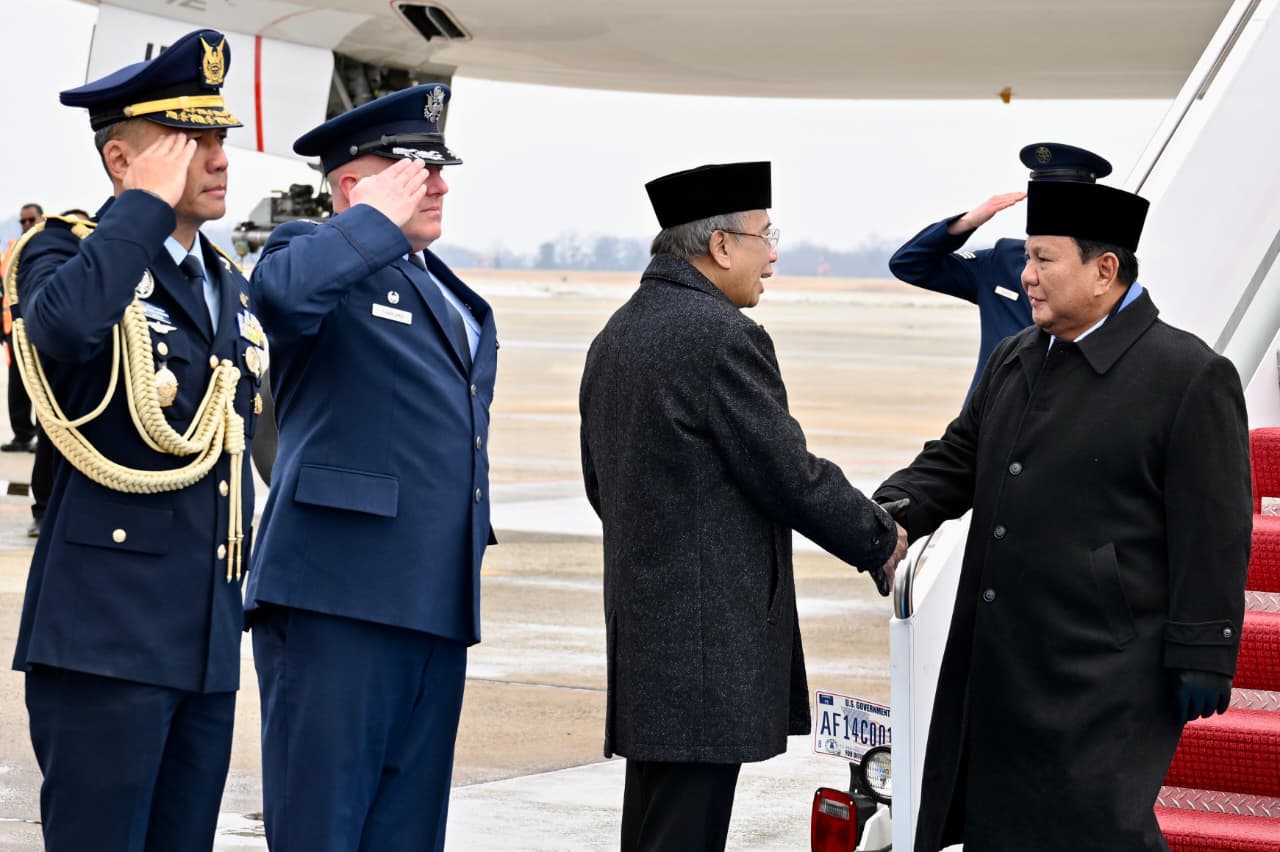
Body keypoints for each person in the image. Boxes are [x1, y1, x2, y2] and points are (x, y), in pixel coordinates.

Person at [873, 173, 1252, 850]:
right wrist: (891, 513)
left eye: (1044, 259)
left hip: (1107, 670)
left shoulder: (1187, 375)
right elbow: (959, 458)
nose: (1026, 278)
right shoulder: (1019, 356)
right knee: (1001, 829)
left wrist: (1206, 652)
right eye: (1026, 259)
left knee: (1096, 831)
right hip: (1004, 656)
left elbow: (1216, 531)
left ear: (1105, 270)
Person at [578, 161, 908, 852]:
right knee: (684, 833)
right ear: (721, 246)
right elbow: (789, 473)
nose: (775, 254)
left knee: (654, 824)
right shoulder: (720, 335)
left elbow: (600, 487)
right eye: (766, 235)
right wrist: (880, 540)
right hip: (704, 645)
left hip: (649, 634)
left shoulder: (618, 334)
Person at [6, 29, 261, 851]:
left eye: (220, 137)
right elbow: (64, 328)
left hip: (201, 641)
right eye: (192, 141)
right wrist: (143, 209)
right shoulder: (65, 252)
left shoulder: (225, 283)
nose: (219, 157)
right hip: (105, 641)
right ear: (122, 161)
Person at [246, 83, 496, 852]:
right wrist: (365, 223)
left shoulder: (447, 289)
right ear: (356, 185)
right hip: (338, 599)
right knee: (323, 826)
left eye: (439, 169)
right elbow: (279, 298)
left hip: (431, 604)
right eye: (417, 169)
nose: (441, 184)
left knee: (406, 832)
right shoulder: (312, 252)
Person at [888, 143, 1113, 397]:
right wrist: (967, 222)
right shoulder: (1004, 259)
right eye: (1044, 196)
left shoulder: (1101, 270)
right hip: (986, 422)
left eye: (1063, 199)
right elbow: (909, 264)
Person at [21, 211, 86, 537]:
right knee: (48, 441)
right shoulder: (48, 250)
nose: (25, 225)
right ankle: (42, 509)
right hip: (43, 358)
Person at [1, 203, 43, 452]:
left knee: (40, 383)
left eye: (30, 220)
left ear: (41, 219)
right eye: (22, 222)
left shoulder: (49, 249)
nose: (26, 225)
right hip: (13, 330)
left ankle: (46, 438)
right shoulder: (11, 250)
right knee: (17, 385)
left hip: (39, 328)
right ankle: (22, 434)